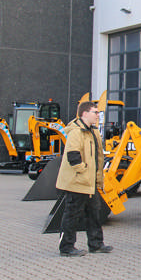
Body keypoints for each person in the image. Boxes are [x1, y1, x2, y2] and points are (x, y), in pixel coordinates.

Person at [56, 101, 113, 257]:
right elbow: (73, 156)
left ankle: (96, 244)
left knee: (94, 213)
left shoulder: (93, 132)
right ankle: (66, 247)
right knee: (72, 214)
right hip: (78, 182)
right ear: (85, 114)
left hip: (90, 182)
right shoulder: (76, 132)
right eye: (95, 112)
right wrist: (84, 170)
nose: (98, 115)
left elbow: (98, 156)